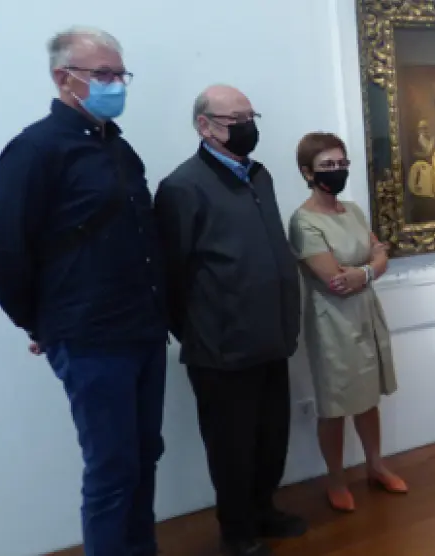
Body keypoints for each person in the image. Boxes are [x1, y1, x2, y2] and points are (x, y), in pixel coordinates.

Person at [0, 26, 167, 556]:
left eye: (120, 74)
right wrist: (41, 323)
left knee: (144, 455)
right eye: (103, 74)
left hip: (144, 329)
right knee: (111, 468)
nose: (116, 84)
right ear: (64, 78)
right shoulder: (34, 150)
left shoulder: (119, 148)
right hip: (90, 338)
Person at [153, 85, 305, 556]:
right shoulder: (182, 187)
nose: (247, 126)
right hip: (221, 348)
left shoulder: (259, 175)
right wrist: (198, 331)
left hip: (271, 336)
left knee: (271, 437)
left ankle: (263, 510)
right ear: (205, 126)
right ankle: (236, 533)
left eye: (250, 116)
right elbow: (169, 274)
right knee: (231, 446)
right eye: (235, 119)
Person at [289, 132, 407, 513]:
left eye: (341, 163)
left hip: (365, 312)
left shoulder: (353, 211)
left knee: (368, 398)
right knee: (335, 403)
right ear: (308, 172)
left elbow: (381, 255)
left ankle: (375, 466)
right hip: (332, 323)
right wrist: (370, 266)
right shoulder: (303, 221)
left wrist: (365, 272)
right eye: (327, 165)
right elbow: (333, 280)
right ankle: (336, 479)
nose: (337, 170)